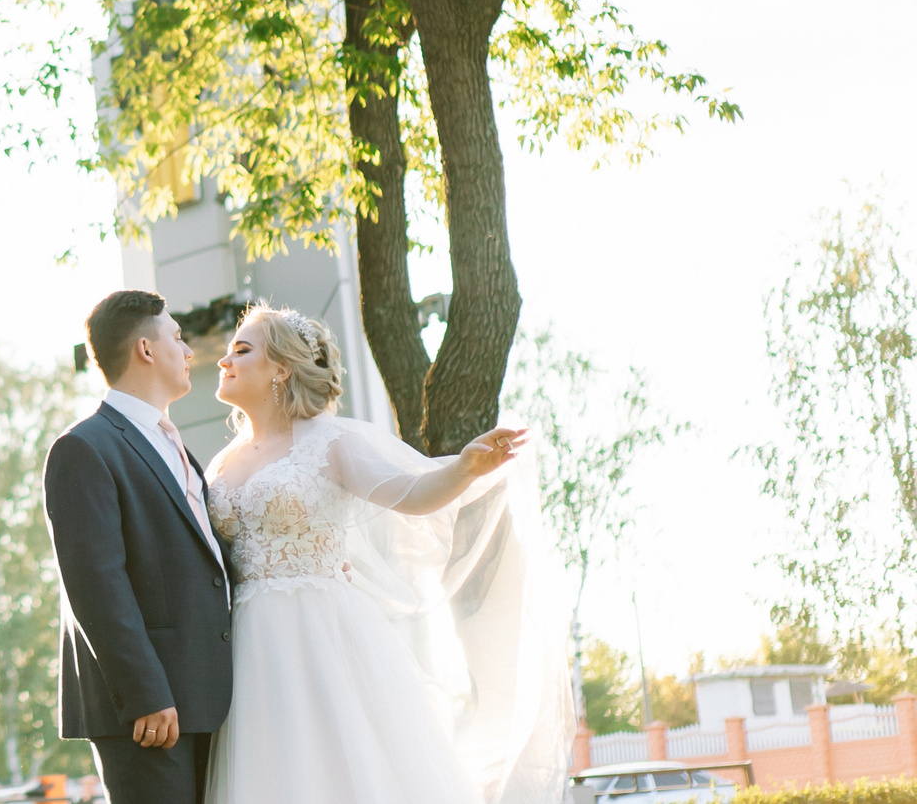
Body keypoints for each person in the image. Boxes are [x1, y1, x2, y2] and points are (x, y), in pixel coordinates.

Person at [201, 304, 573, 804]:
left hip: (319, 634)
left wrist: (464, 468)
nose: (225, 360)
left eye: (241, 350)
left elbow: (411, 493)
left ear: (282, 368)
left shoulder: (330, 442)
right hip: (245, 644)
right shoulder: (218, 464)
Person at [42, 290, 232, 804]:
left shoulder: (176, 446)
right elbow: (96, 583)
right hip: (152, 711)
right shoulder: (85, 447)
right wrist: (146, 693)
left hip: (205, 695)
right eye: (177, 337)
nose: (189, 350)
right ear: (146, 350)